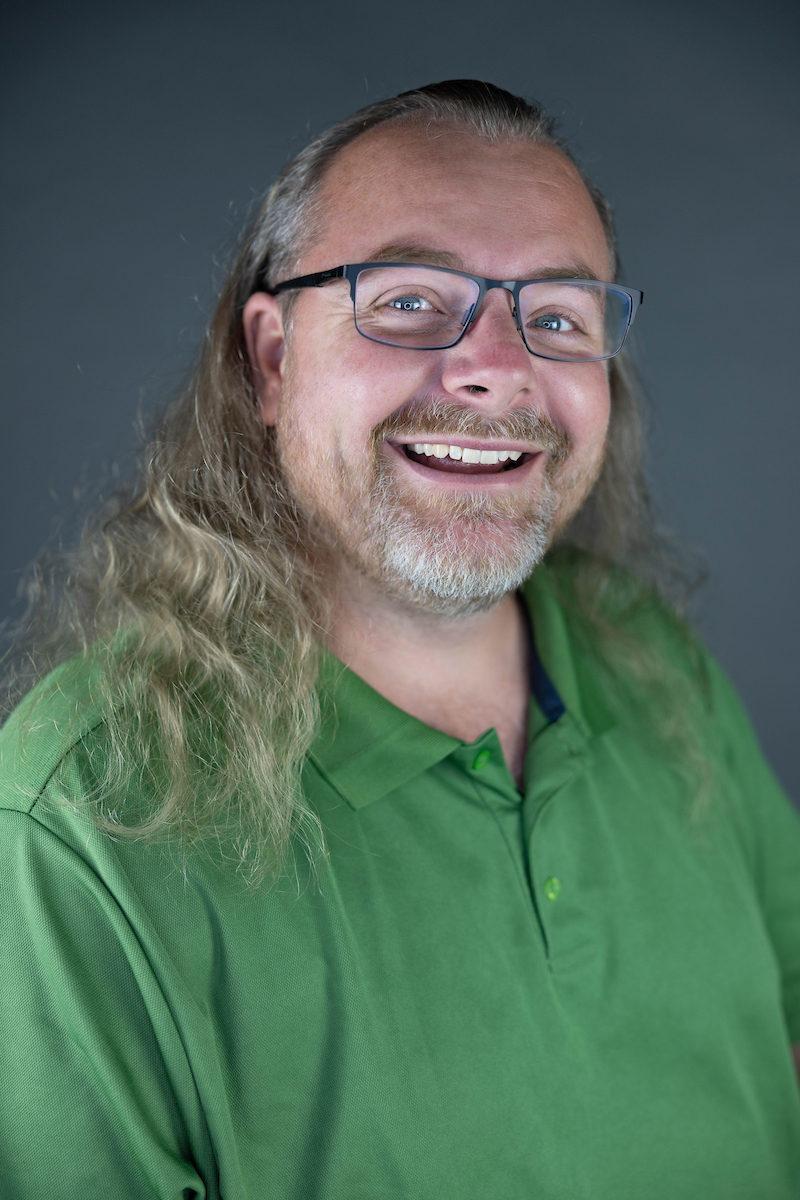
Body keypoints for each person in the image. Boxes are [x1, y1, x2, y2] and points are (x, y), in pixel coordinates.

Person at [1, 79, 798, 1199]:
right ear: (272, 360)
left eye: (556, 317)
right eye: (412, 301)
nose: (495, 367)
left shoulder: (644, 655)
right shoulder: (79, 819)